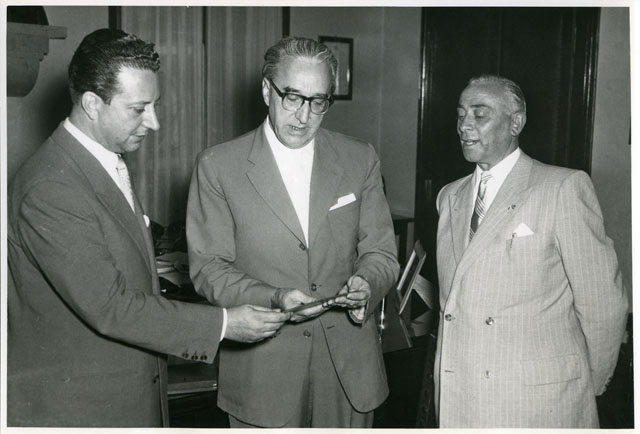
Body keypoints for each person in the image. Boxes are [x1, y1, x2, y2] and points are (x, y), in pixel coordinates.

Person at [7, 28, 290, 427]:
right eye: (138, 109)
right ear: (91, 104)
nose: (153, 123)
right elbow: (111, 306)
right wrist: (225, 324)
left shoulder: (101, 160)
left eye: (155, 105)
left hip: (123, 398)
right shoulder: (51, 186)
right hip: (80, 412)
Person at [186, 36, 399, 428]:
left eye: (318, 101)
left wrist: (367, 284)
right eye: (292, 97)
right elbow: (209, 269)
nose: (304, 115)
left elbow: (382, 253)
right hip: (262, 375)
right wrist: (275, 297)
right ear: (267, 91)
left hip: (348, 373)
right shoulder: (218, 166)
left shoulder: (360, 158)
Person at [433, 74, 628, 428]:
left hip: (535, 402)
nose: (464, 125)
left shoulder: (561, 188)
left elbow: (603, 304)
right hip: (460, 395)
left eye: (479, 114)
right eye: (460, 114)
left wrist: (588, 383)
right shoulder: (450, 196)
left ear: (516, 122)